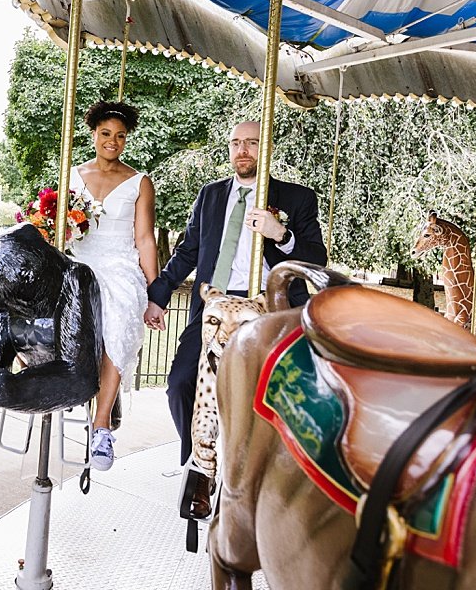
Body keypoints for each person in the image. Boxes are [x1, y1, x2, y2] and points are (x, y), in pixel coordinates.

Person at [145, 120, 326, 466]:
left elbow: (316, 259)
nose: (242, 150)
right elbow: (187, 252)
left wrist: (280, 235)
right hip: (219, 303)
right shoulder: (211, 195)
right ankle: (199, 463)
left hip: (267, 305)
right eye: (236, 143)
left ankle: (262, 468)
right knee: (181, 384)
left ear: (267, 148)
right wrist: (159, 295)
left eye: (252, 143)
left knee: (272, 394)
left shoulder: (295, 198)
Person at [69, 100, 162, 471]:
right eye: (106, 134)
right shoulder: (72, 173)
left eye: (120, 136)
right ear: (94, 134)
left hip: (119, 262)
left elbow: (144, 239)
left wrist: (155, 293)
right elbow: (58, 223)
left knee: (122, 313)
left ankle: (102, 423)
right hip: (80, 257)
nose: (112, 141)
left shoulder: (140, 181)